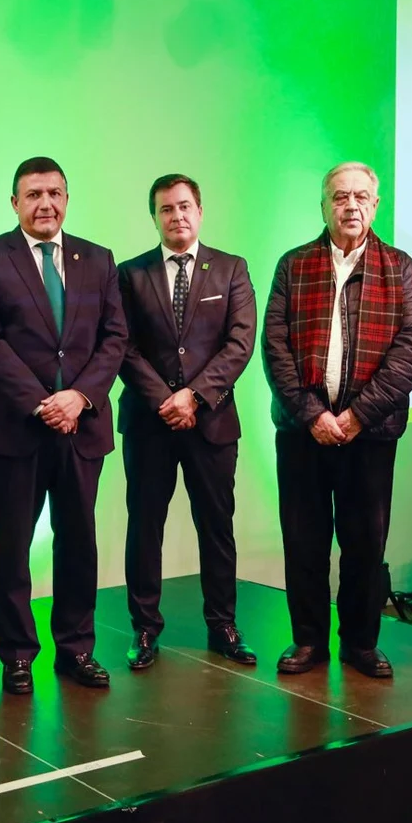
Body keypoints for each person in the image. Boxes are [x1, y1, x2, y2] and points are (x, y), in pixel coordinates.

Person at [0, 157, 129, 695]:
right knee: (11, 547)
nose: (45, 204)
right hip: (14, 430)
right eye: (33, 194)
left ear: (67, 198)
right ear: (14, 203)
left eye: (55, 193)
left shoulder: (98, 259)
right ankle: (16, 654)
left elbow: (114, 338)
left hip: (81, 429)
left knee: (79, 543)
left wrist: (78, 397)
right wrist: (42, 403)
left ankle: (76, 649)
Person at [262, 161, 412, 679]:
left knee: (364, 543)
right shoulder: (293, 265)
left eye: (360, 196)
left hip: (370, 435)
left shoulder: (398, 267)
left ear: (375, 205)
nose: (350, 205)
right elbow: (275, 347)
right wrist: (312, 414)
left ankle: (361, 642)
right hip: (302, 434)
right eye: (339, 196)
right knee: (304, 541)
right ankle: (308, 641)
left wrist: (357, 415)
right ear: (324, 205)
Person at [117, 174, 257, 669]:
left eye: (184, 207)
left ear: (200, 210)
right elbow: (122, 346)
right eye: (165, 209)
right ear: (153, 216)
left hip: (212, 422)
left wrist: (194, 397)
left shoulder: (232, 270)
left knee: (216, 526)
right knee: (145, 527)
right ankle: (144, 629)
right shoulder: (129, 274)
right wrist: (165, 399)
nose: (177, 216)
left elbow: (240, 344)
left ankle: (223, 626)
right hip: (149, 423)